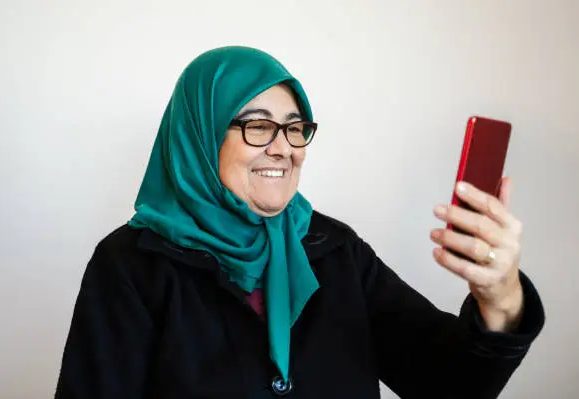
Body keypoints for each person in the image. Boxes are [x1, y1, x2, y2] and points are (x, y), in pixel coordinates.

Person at [54, 46, 545, 399]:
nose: (283, 146)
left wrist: (500, 295)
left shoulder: (335, 249)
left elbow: (449, 383)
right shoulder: (130, 264)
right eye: (257, 124)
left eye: (294, 127)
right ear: (200, 137)